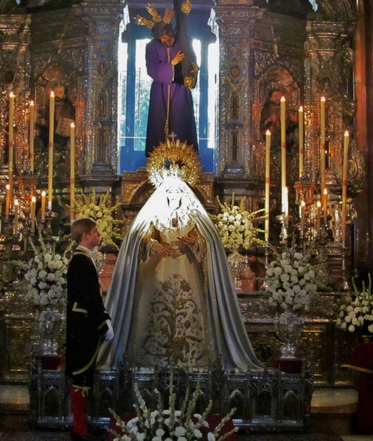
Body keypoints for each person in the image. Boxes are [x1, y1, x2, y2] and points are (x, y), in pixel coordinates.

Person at [97, 142, 263, 371]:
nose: (174, 196)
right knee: (154, 311)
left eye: (178, 192)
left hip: (188, 266)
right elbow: (142, 237)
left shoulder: (194, 214)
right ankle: (152, 357)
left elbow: (207, 242)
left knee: (190, 310)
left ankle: (191, 357)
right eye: (170, 192)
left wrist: (195, 242)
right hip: (158, 269)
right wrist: (154, 244)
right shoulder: (154, 213)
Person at [66, 218, 113, 441]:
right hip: (83, 327)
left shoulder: (84, 259)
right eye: (95, 231)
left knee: (85, 376)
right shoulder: (81, 261)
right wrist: (103, 323)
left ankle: (82, 424)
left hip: (84, 325)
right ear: (85, 236)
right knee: (80, 375)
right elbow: (90, 298)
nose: (98, 235)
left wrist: (104, 319)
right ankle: (79, 428)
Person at [138, 6, 199, 156]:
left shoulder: (184, 41)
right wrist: (172, 63)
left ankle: (183, 157)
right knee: (159, 121)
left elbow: (192, 60)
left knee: (180, 119)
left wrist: (194, 68)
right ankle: (157, 158)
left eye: (165, 37)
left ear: (170, 32)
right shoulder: (152, 46)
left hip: (180, 89)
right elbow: (152, 69)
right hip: (161, 90)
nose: (163, 40)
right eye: (160, 38)